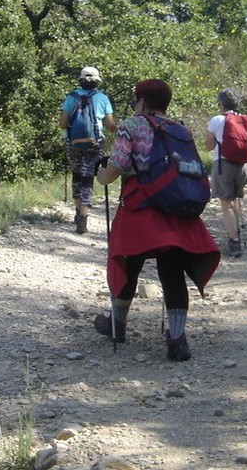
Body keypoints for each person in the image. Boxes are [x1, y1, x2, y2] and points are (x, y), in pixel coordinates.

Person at [94, 79, 221, 361]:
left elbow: (117, 168)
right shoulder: (180, 128)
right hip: (175, 206)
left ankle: (118, 324)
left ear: (141, 100)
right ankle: (177, 338)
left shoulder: (133, 125)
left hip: (141, 207)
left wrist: (101, 175)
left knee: (129, 261)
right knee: (172, 271)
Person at [59, 66, 117, 234]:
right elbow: (111, 126)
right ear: (97, 81)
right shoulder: (103, 98)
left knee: (77, 175)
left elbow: (63, 123)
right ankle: (84, 217)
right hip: (95, 143)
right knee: (87, 178)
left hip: (73, 143)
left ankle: (78, 213)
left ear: (81, 81)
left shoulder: (71, 97)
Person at [205, 88, 247, 257]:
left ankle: (234, 242)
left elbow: (208, 146)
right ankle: (236, 233)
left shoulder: (217, 120)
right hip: (246, 164)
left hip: (224, 164)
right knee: (233, 199)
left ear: (221, 104)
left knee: (225, 204)